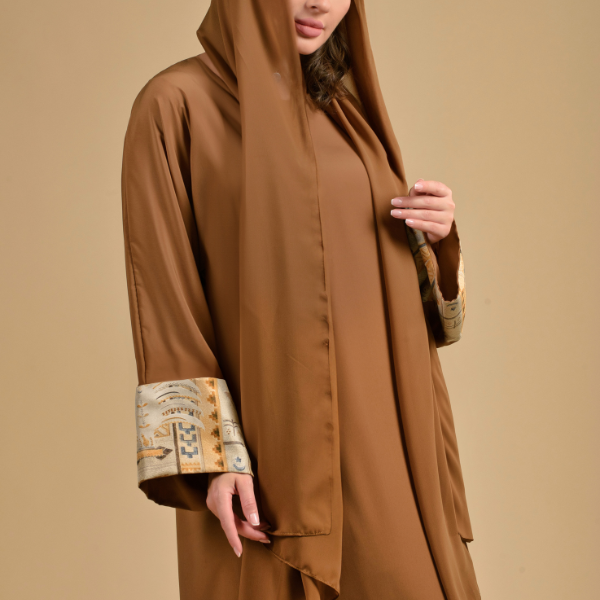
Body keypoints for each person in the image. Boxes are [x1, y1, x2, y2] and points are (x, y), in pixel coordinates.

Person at [121, 0, 480, 598]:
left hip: (387, 435)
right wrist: (214, 459)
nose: (320, 3)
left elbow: (385, 291)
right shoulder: (175, 104)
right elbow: (164, 294)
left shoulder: (341, 108)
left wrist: (435, 240)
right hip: (269, 446)